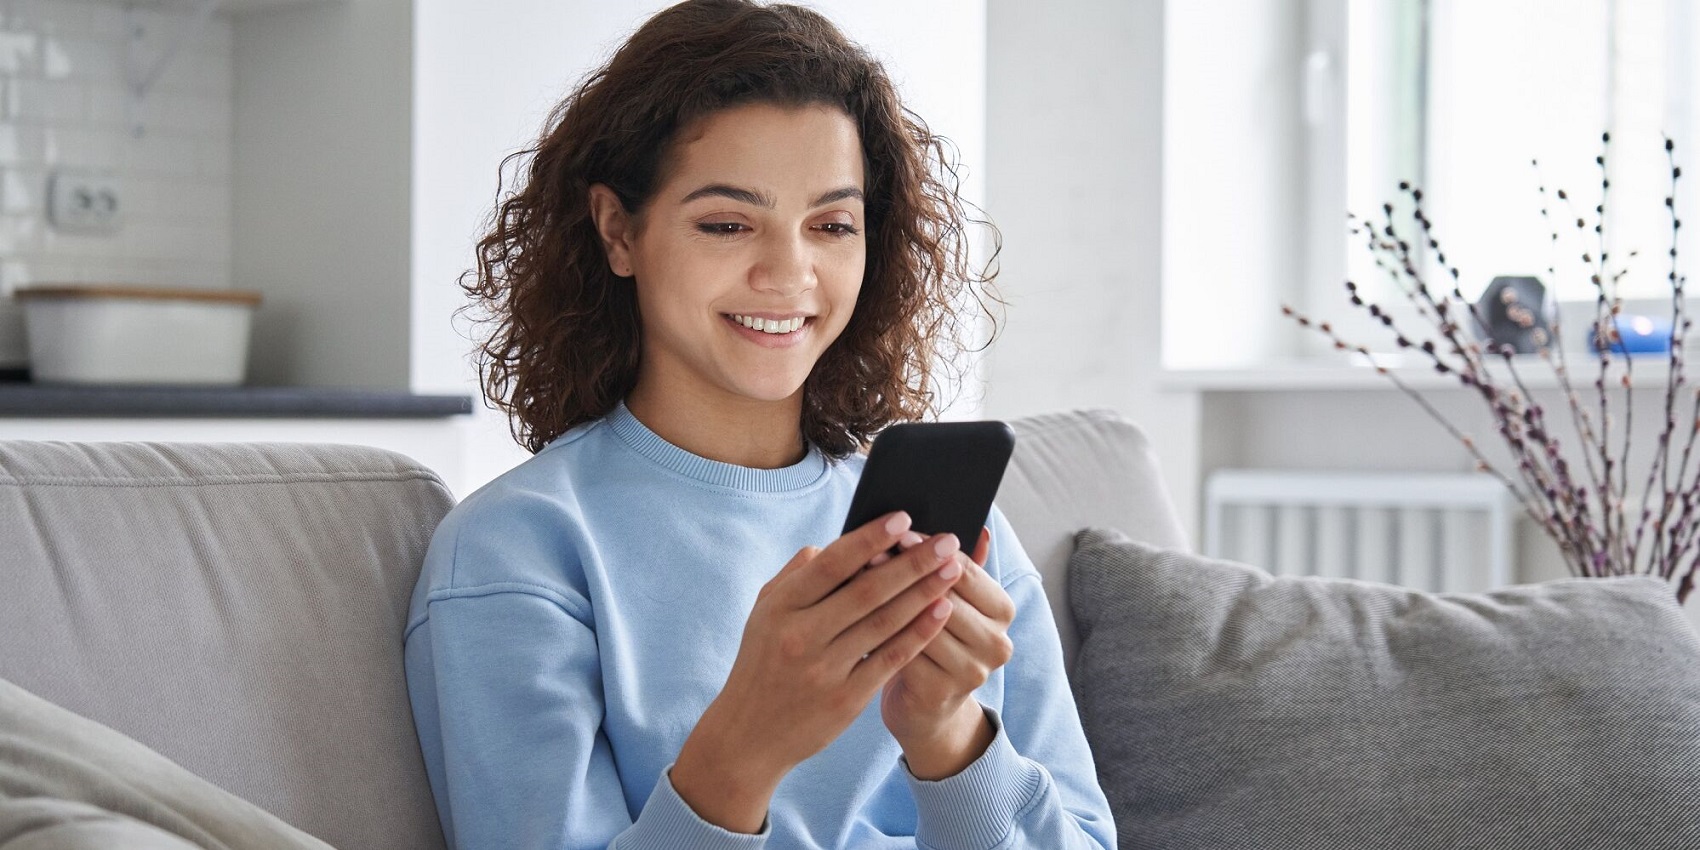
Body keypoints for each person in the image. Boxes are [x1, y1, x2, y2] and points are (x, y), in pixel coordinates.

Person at [402, 1, 1116, 847]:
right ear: (617, 230)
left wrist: (950, 740)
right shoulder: (515, 553)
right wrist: (745, 746)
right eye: (728, 224)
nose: (789, 272)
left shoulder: (955, 543)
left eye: (832, 225)